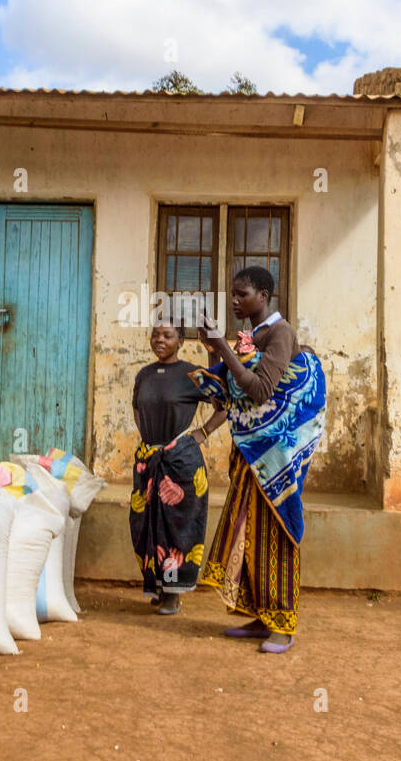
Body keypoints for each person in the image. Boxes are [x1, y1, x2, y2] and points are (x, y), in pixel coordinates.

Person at [190, 266, 326, 654]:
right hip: (252, 455)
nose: (234, 300)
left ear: (263, 294)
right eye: (232, 294)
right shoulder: (252, 336)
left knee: (277, 532)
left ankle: (284, 624)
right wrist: (216, 351)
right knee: (250, 533)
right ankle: (262, 615)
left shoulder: (281, 334)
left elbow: (263, 391)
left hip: (276, 459)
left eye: (242, 294)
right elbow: (235, 392)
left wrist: (225, 350)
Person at [130, 321, 227, 615]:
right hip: (149, 460)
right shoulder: (143, 375)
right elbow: (138, 410)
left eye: (167, 336)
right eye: (155, 335)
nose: (160, 340)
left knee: (175, 529)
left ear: (181, 341)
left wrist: (203, 432)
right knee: (146, 527)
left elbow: (223, 405)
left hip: (180, 464)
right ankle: (158, 586)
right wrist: (150, 444)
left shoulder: (191, 375)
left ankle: (173, 592)